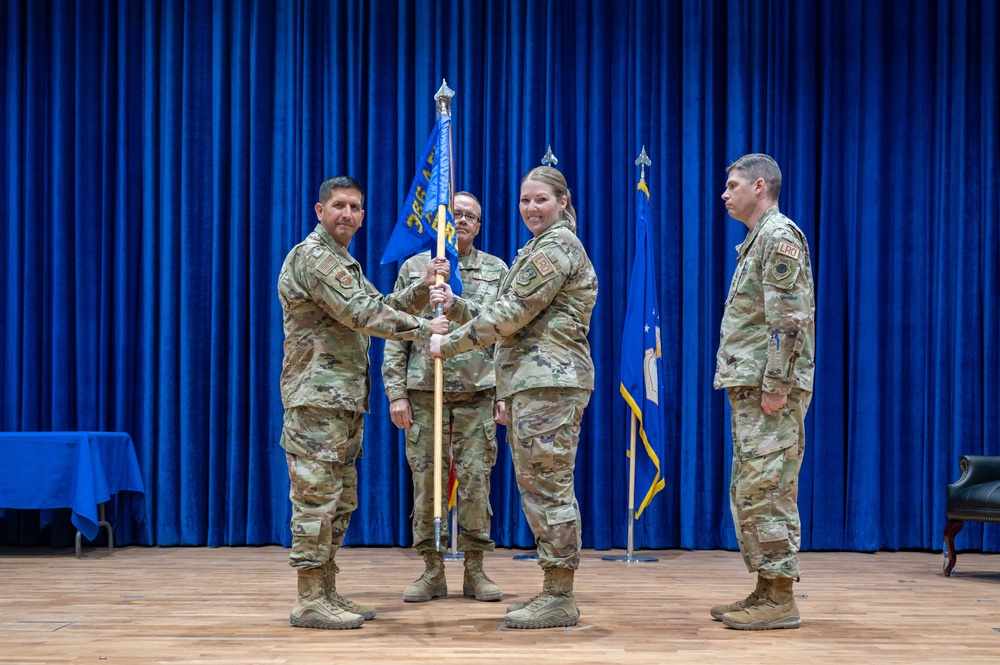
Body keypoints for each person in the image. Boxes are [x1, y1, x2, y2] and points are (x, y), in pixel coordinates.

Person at [428, 167, 598, 630]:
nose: (530, 208)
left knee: (549, 490)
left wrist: (449, 343)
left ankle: (560, 593)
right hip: (533, 384)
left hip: (549, 384)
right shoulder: (540, 249)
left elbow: (512, 313)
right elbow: (504, 316)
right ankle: (554, 588)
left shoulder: (557, 247)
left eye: (540, 199)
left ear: (562, 202)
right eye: (524, 200)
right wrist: (459, 307)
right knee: (539, 489)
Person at [277, 175, 449, 630]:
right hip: (316, 400)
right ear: (320, 211)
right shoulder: (314, 257)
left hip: (343, 401)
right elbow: (362, 314)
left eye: (355, 207)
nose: (347, 214)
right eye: (338, 206)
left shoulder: (343, 261)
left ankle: (327, 591)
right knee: (316, 501)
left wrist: (421, 286)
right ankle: (309, 598)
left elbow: (378, 301)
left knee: (340, 500)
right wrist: (422, 330)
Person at [382, 192, 509, 603]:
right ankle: (432, 570)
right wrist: (395, 392)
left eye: (471, 216)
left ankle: (475, 570)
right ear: (440, 222)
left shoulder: (495, 269)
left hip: (477, 393)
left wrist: (504, 393)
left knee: (476, 481)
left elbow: (503, 332)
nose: (463, 221)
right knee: (427, 483)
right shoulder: (415, 269)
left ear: (479, 224)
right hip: (423, 393)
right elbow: (395, 331)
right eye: (455, 214)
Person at [712, 153, 816, 630]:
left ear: (759, 186)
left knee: (768, 489)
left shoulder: (778, 237)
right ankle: (765, 589)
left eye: (732, 185)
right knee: (752, 489)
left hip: (768, 389)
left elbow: (789, 320)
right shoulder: (757, 240)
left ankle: (781, 599)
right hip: (752, 385)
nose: (724, 194)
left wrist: (776, 384)